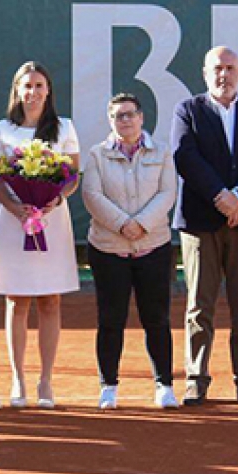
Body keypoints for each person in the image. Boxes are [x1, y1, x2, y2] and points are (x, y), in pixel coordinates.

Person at [172, 46, 238, 407]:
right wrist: (221, 196)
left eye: (231, 68)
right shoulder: (188, 110)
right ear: (205, 72)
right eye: (218, 68)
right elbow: (185, 155)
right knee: (199, 304)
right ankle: (196, 380)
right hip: (201, 222)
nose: (224, 74)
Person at [0, 61, 80, 409]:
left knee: (50, 300)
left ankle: (45, 381)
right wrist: (17, 210)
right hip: (13, 221)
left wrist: (53, 201)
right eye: (27, 86)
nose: (33, 92)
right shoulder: (1, 129)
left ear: (48, 90)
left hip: (52, 220)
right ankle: (18, 379)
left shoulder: (65, 127)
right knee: (16, 299)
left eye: (39, 85)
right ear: (17, 91)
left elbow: (71, 175)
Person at [82, 93, 178, 410]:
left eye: (130, 114)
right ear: (111, 121)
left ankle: (164, 385)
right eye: (118, 116)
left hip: (154, 247)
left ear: (141, 118)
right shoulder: (96, 155)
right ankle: (108, 386)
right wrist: (123, 224)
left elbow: (168, 193)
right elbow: (92, 195)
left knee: (157, 319)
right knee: (111, 319)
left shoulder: (162, 153)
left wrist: (142, 224)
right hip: (108, 250)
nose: (125, 120)